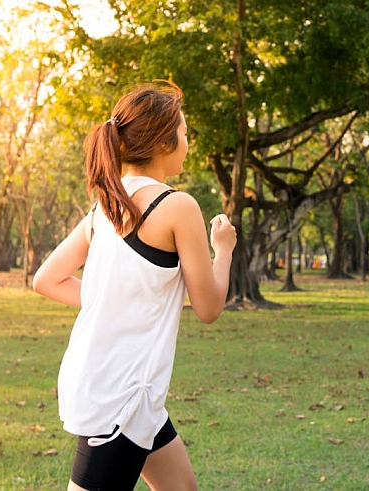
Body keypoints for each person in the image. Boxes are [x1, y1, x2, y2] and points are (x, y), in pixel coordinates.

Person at [33, 80, 236, 491]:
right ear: (163, 141)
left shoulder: (105, 206)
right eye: (183, 133)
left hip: (128, 391)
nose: (187, 143)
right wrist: (224, 249)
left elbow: (46, 279)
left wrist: (113, 302)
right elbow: (209, 307)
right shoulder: (177, 206)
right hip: (120, 399)